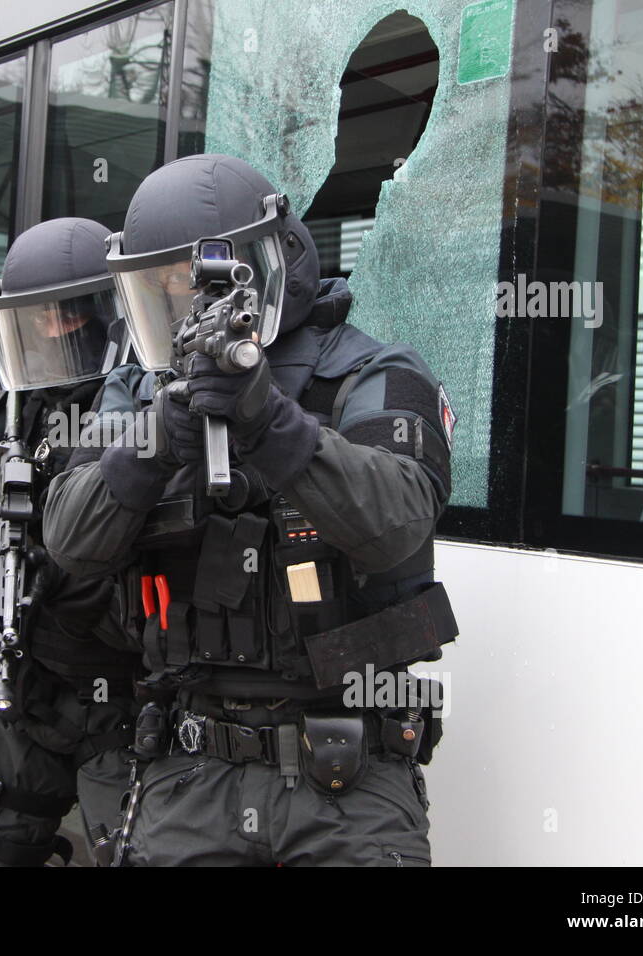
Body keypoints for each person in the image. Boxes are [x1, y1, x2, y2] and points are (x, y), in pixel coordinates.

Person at [40, 154, 458, 866]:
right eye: (162, 289)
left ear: (278, 260)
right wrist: (155, 440)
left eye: (197, 282)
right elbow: (71, 539)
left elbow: (397, 523)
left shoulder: (375, 372)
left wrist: (272, 423)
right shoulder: (136, 391)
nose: (184, 307)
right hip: (190, 764)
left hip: (348, 778)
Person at [0, 217, 143, 866]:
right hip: (28, 681)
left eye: (68, 314)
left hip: (125, 688)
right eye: (35, 317)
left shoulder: (146, 386)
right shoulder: (13, 385)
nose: (51, 330)